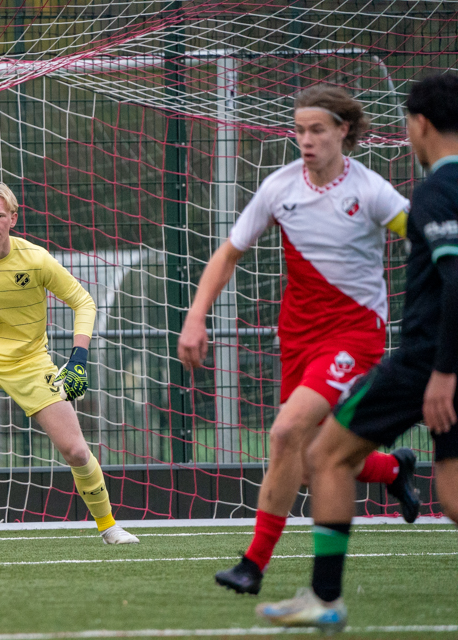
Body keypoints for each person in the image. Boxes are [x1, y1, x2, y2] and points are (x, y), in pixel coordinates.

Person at [177, 85, 421, 595]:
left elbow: (422, 236)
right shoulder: (280, 187)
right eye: (300, 131)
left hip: (354, 336)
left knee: (286, 431)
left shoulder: (372, 191)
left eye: (317, 130)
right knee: (309, 460)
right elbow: (228, 254)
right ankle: (392, 469)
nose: (306, 140)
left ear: (343, 131)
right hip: (297, 337)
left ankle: (253, 565)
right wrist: (196, 317)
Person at [257, 73, 458, 633]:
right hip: (435, 359)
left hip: (428, 362)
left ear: (419, 124)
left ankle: (324, 597)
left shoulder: (435, 191)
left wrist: (443, 373)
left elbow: (453, 280)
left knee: (323, 454)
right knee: (451, 493)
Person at [0, 181, 139, 546]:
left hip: (29, 361)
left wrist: (78, 360)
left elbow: (83, 302)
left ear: (13, 219)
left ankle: (109, 526)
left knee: (76, 450)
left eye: (0, 215)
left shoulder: (36, 259)